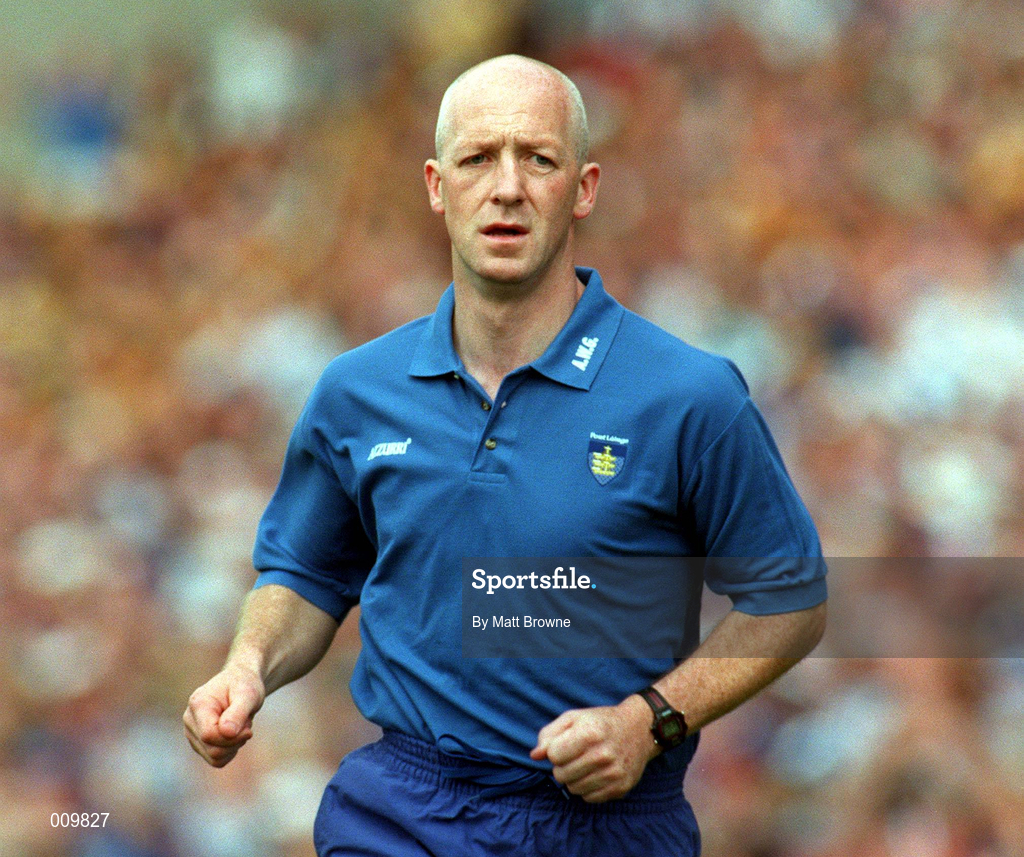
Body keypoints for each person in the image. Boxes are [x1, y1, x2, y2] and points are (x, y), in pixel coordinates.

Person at [183, 54, 827, 856]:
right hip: (401, 812)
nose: (509, 186)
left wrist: (650, 719)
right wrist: (248, 667)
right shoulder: (356, 392)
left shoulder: (690, 396)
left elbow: (791, 598)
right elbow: (306, 576)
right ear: (435, 184)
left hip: (606, 826)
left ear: (584, 188)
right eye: (479, 158)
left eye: (540, 158)